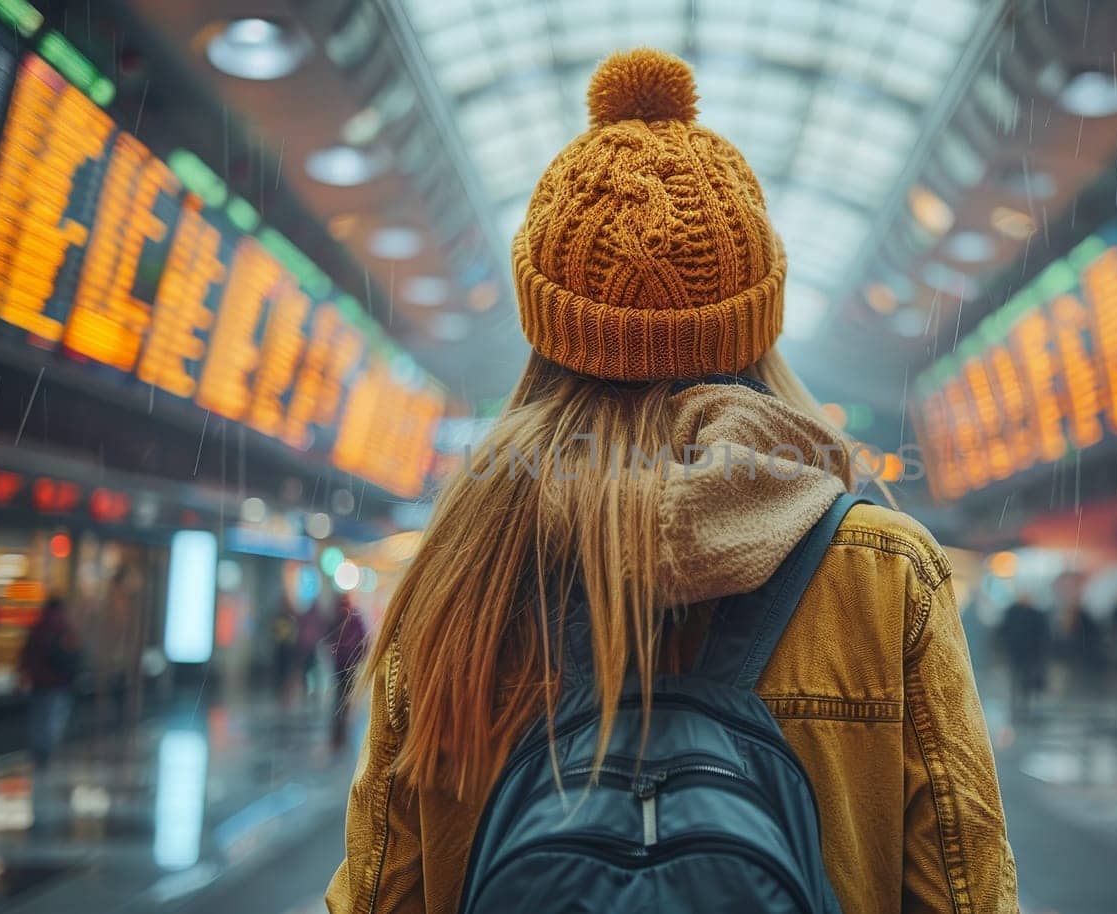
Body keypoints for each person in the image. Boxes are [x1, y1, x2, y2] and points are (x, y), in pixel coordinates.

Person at [327, 49, 1018, 914]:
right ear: (757, 325)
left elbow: (378, 895)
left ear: (546, 332)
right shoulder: (882, 574)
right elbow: (965, 896)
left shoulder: (461, 575)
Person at [17, 597, 82, 769]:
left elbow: (26, 655)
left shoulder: (37, 628)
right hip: (59, 684)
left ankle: (38, 752)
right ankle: (47, 752)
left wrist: (23, 675)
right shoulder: (65, 629)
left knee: (38, 718)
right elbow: (76, 657)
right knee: (52, 719)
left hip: (38, 683)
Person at [997, 594, 1049, 722]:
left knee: (1028, 678)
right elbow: (1003, 631)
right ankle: (1017, 703)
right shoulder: (1011, 612)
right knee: (1016, 678)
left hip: (1030, 654)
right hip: (1016, 653)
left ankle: (1026, 702)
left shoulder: (1036, 614)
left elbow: (1042, 635)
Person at [327, 594, 369, 750]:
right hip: (345, 663)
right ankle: (340, 730)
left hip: (343, 663)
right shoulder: (350, 617)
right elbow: (363, 639)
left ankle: (340, 731)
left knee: (341, 697)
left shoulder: (342, 616)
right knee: (342, 697)